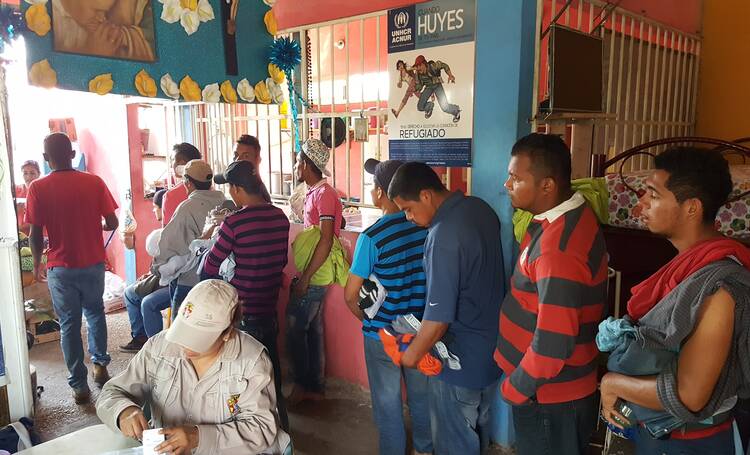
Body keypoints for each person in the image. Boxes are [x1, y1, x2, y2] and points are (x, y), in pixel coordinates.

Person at [599, 147, 750, 454]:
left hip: (690, 443)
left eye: (653, 195)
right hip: (658, 433)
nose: (640, 203)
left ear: (691, 208)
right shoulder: (686, 266)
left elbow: (690, 394)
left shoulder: (719, 289)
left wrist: (613, 383)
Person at [494, 133, 608, 455]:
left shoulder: (557, 250)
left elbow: (553, 345)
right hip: (553, 391)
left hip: (548, 396)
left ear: (547, 186)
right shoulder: (568, 215)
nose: (507, 184)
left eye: (516, 178)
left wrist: (515, 388)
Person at [97, 280, 291, 454]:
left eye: (199, 339)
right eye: (184, 332)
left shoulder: (252, 361)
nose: (186, 346)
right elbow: (112, 391)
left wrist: (199, 437)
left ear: (228, 333)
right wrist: (123, 410)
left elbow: (262, 427)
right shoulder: (159, 347)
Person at [388, 162, 504, 454]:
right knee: (478, 430)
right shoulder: (480, 209)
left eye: (408, 208)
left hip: (459, 362)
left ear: (426, 195)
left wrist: (410, 356)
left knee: (454, 442)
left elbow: (438, 321)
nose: (408, 217)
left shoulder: (442, 236)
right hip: (492, 350)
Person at [343, 159, 432, 455]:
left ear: (382, 193)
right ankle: (423, 449)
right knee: (421, 398)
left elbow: (350, 294)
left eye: (372, 185)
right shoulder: (425, 227)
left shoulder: (372, 237)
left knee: (387, 404)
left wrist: (368, 322)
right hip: (421, 330)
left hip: (382, 336)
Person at [25, 133, 119, 404]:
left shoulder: (38, 188)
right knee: (95, 314)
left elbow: (34, 234)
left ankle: (79, 386)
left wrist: (37, 264)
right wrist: (97, 226)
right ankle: (100, 365)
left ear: (46, 158)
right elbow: (112, 221)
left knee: (68, 325)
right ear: (72, 153)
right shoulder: (93, 182)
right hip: (92, 264)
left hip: (60, 267)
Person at [204, 159, 291, 431]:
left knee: (241, 383)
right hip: (268, 308)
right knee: (271, 374)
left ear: (238, 189)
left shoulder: (234, 224)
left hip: (242, 313)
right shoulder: (280, 217)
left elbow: (209, 268)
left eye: (231, 188)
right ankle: (282, 431)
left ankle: (249, 436)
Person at [286, 138, 345, 405]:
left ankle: (302, 384)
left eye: (299, 160)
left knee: (296, 327)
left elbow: (325, 238)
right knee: (313, 329)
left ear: (307, 164)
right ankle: (315, 386)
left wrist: (306, 278)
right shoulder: (313, 191)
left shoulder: (325, 194)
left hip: (316, 273)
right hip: (314, 269)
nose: (296, 165)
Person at [154, 159, 226, 317]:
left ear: (187, 182)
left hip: (191, 281)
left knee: (182, 332)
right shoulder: (226, 202)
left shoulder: (186, 208)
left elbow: (169, 244)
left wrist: (158, 268)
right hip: (222, 281)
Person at [119, 190, 171, 353]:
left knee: (141, 298)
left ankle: (151, 344)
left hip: (172, 280)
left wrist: (152, 275)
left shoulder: (169, 231)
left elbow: (166, 268)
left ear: (163, 207)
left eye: (155, 207)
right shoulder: (166, 228)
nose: (153, 210)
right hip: (165, 278)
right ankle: (141, 337)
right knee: (131, 292)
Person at [52, 0, 155, 61]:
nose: (102, 19)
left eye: (104, 13)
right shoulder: (51, 18)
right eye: (98, 11)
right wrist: (91, 51)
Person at [162, 143, 202, 226]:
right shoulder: (211, 190)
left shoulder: (171, 196)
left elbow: (167, 234)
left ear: (182, 163)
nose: (170, 165)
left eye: (172, 160)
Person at [413, 55, 460, 123]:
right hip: (428, 87)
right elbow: (420, 86)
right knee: (420, 107)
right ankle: (430, 107)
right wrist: (415, 88)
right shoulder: (418, 74)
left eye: (419, 65)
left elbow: (444, 65)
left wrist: (450, 75)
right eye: (417, 66)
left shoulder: (432, 66)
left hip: (437, 85)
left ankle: (456, 110)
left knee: (444, 107)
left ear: (424, 64)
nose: (418, 68)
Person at [15, 160, 41, 235]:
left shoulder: (43, 191)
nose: (28, 177)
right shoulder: (16, 190)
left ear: (38, 174)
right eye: (25, 173)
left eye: (32, 173)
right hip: (19, 237)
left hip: (38, 236)